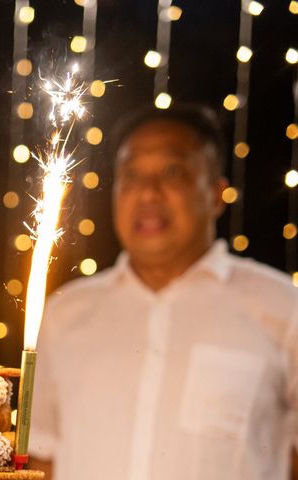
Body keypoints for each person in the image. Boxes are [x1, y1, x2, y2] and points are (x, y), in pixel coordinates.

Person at [28, 105, 298, 480]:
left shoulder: (283, 308)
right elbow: (42, 457)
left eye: (173, 172)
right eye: (131, 175)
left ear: (217, 195)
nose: (148, 193)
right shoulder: (65, 313)